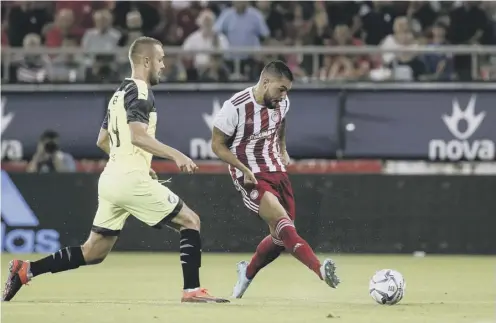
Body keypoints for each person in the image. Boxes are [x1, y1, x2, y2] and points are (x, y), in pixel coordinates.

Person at [3, 36, 229, 304]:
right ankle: (192, 291)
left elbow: (102, 141)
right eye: (160, 59)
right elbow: (137, 136)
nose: (164, 65)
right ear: (146, 61)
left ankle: (26, 270)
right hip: (129, 180)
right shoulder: (141, 91)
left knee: (93, 251)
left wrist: (137, 163)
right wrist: (175, 154)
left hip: (111, 179)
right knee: (190, 221)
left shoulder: (118, 94)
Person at [211, 60, 340, 298]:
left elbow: (280, 122)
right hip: (249, 174)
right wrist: (242, 169)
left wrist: (282, 147)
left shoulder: (282, 102)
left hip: (276, 169)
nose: (284, 96)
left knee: (281, 238)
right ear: (266, 81)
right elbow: (217, 146)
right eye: (281, 89)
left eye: (287, 91)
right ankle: (319, 270)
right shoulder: (235, 107)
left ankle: (246, 273)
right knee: (283, 222)